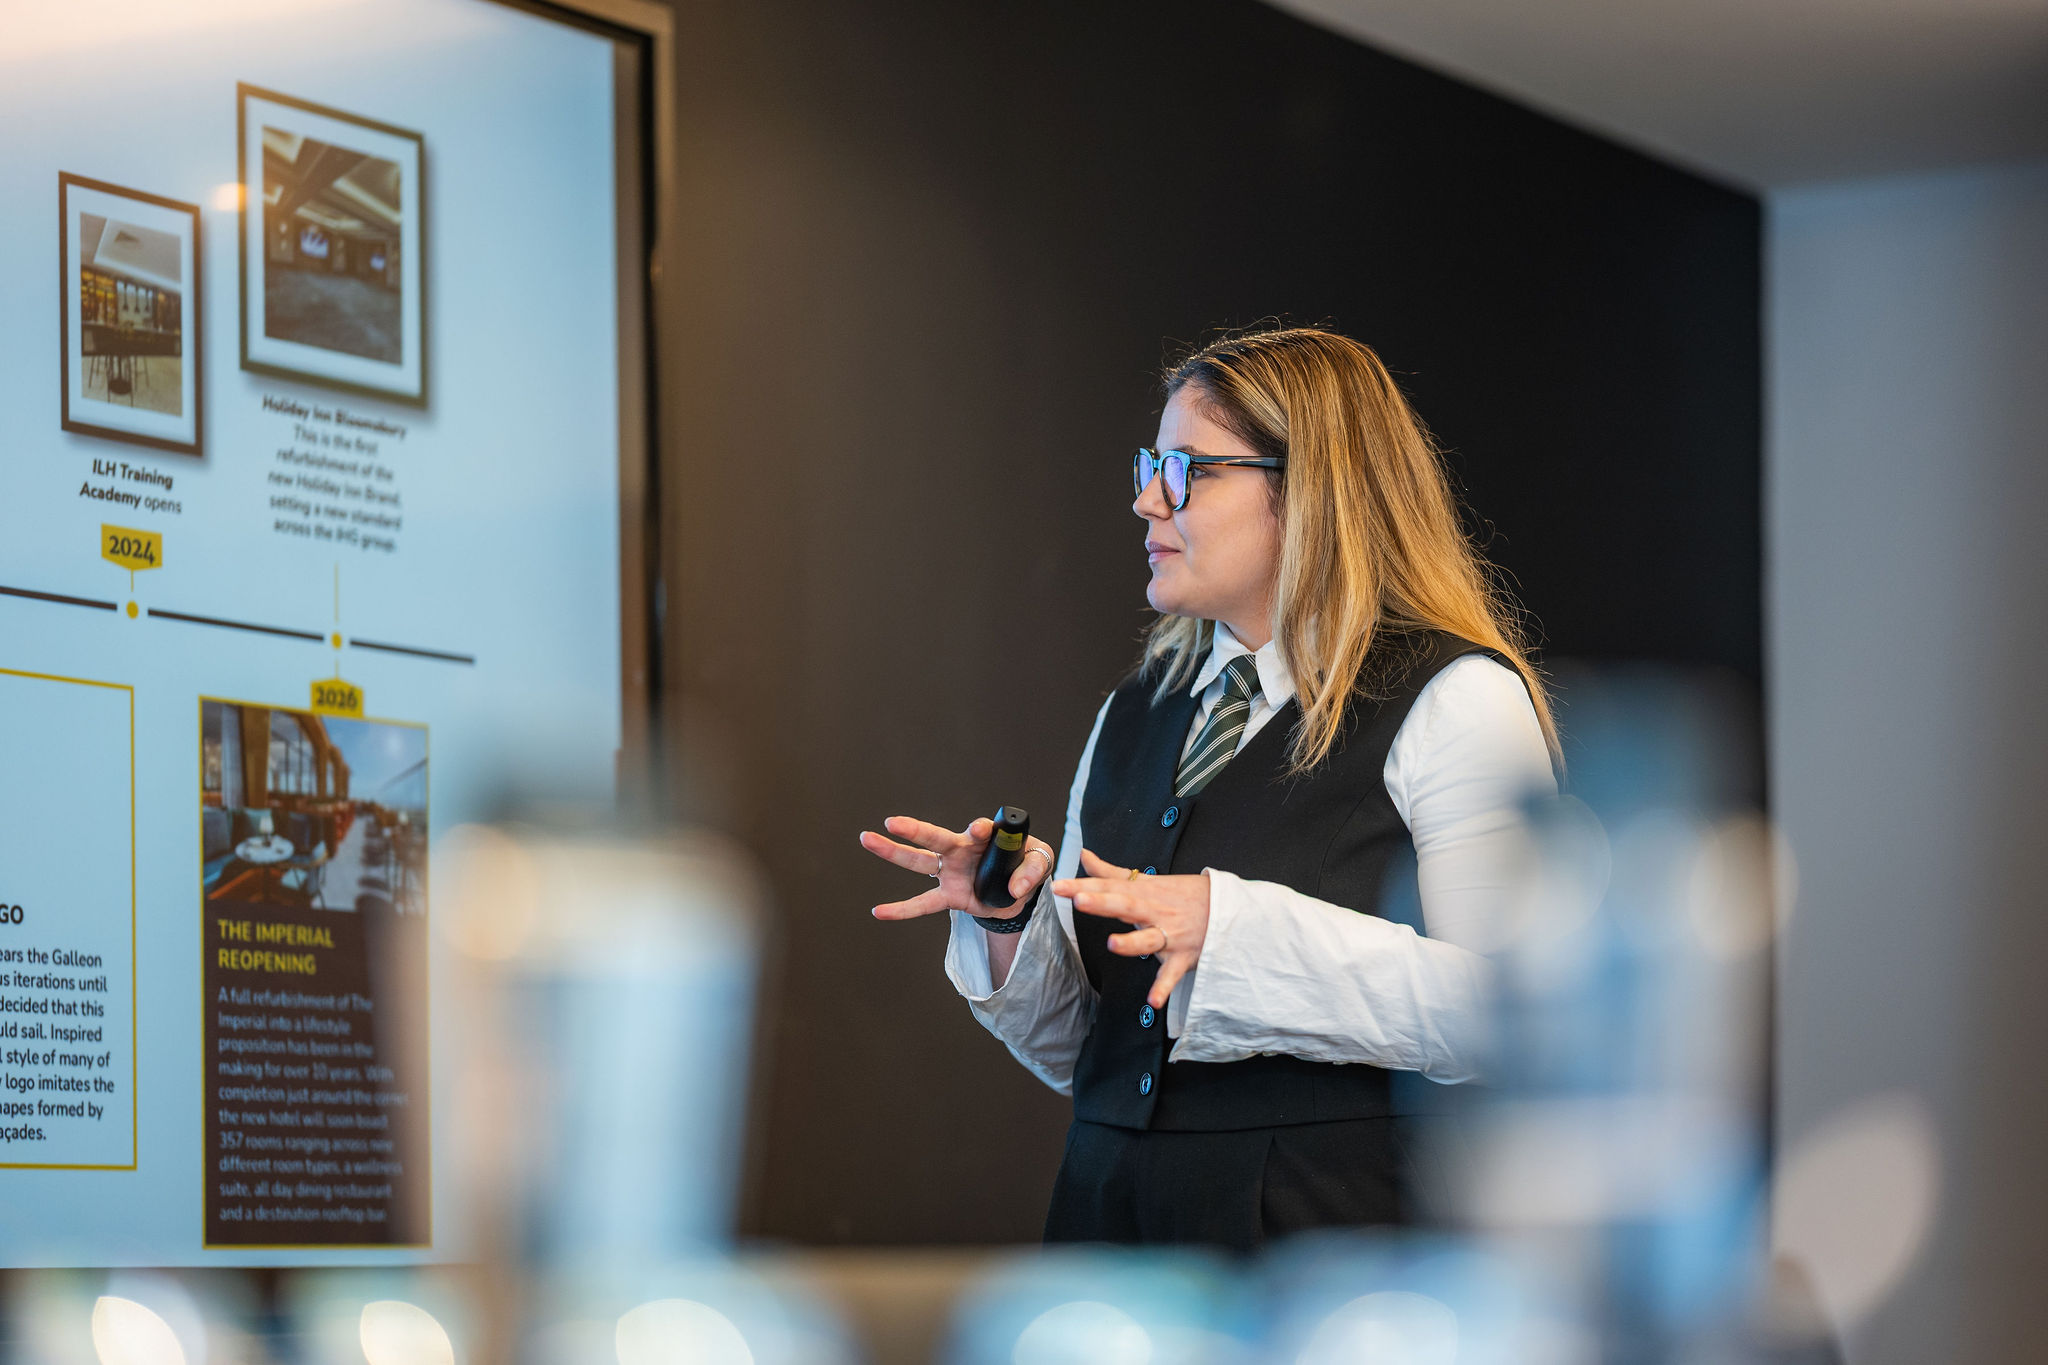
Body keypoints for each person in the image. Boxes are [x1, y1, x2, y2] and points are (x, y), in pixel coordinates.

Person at [858, 326, 1559, 1250]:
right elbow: (1092, 1054)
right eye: (1153, 463)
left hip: (1319, 1247)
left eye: (1188, 469)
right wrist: (1008, 920)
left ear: (1309, 488)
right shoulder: (1135, 712)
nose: (1146, 499)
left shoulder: (1457, 697)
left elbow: (1520, 1015)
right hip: (1111, 1239)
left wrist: (1234, 932)